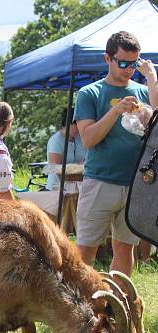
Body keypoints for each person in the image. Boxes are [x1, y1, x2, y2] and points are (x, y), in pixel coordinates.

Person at [74, 31, 158, 275]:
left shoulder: (143, 92)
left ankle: (115, 308)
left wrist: (151, 80)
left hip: (136, 185)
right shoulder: (91, 93)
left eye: (133, 64)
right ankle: (76, 308)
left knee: (124, 248)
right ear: (107, 59)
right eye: (123, 63)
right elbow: (88, 139)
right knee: (84, 252)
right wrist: (115, 111)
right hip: (100, 181)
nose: (128, 69)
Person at [46, 109, 87, 234]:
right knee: (61, 221)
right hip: (58, 186)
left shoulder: (80, 138)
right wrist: (77, 165)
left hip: (78, 184)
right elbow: (55, 167)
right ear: (68, 124)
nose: (79, 129)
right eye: (76, 125)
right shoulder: (56, 140)